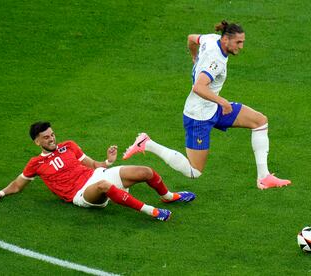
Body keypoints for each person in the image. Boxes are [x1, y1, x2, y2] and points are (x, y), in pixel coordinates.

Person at [123, 20, 291, 190]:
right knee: (194, 171)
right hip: (199, 116)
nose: (241, 46)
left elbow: (191, 38)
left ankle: (264, 177)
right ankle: (147, 143)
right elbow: (198, 87)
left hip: (212, 108)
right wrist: (223, 101)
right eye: (238, 42)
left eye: (242, 42)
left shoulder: (211, 39)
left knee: (259, 121)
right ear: (226, 40)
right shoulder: (215, 61)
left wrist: (194, 57)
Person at [0, 122, 196, 221]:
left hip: (96, 176)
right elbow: (18, 184)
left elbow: (93, 165)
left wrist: (107, 161)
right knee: (105, 186)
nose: (51, 139)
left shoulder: (68, 146)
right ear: (37, 141)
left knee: (146, 171)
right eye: (46, 137)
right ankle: (152, 212)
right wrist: (1, 192)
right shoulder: (35, 163)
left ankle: (169, 197)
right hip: (81, 194)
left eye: (52, 135)